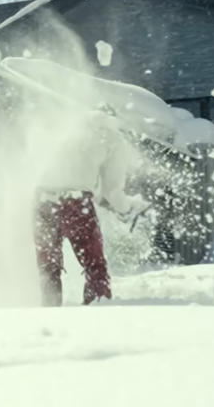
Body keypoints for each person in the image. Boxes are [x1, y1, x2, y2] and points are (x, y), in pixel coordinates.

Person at [34, 114, 147, 307]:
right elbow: (112, 192)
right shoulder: (113, 139)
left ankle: (49, 310)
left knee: (49, 266)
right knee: (94, 264)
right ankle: (97, 309)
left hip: (42, 202)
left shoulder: (63, 125)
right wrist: (127, 209)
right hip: (76, 203)